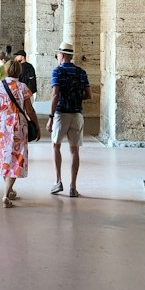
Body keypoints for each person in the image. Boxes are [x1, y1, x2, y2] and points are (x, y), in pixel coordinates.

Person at [0, 57, 37, 207]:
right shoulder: (23, 87)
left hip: (0, 124)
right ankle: (6, 194)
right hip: (17, 124)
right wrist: (36, 125)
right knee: (16, 157)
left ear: (5, 70)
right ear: (19, 71)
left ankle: (10, 189)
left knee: (4, 155)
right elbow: (30, 110)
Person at [49, 42, 91, 196]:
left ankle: (58, 181)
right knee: (74, 150)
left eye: (59, 54)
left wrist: (50, 117)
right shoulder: (81, 72)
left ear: (63, 55)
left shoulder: (57, 71)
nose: (58, 57)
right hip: (77, 114)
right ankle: (73, 186)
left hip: (61, 113)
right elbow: (88, 95)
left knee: (56, 146)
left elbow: (55, 94)